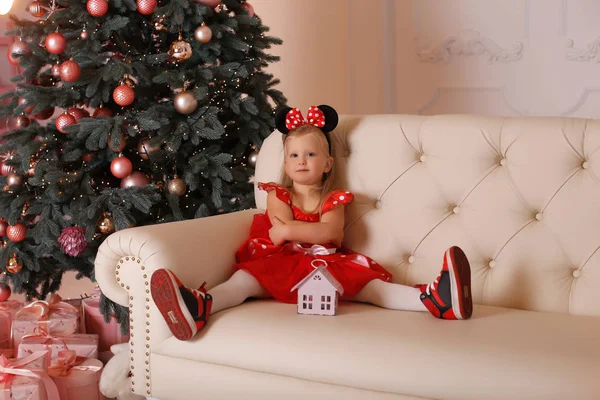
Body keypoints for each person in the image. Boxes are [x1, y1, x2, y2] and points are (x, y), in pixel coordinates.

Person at [150, 105, 473, 341]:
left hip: (326, 263)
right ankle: (199, 307)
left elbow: (330, 233)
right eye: (294, 156)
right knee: (244, 283)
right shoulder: (278, 192)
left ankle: (435, 299)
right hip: (279, 263)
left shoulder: (335, 198)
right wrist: (296, 231)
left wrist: (291, 230)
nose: (301, 161)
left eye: (310, 155)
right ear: (286, 164)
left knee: (373, 289)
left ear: (328, 163)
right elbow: (278, 233)